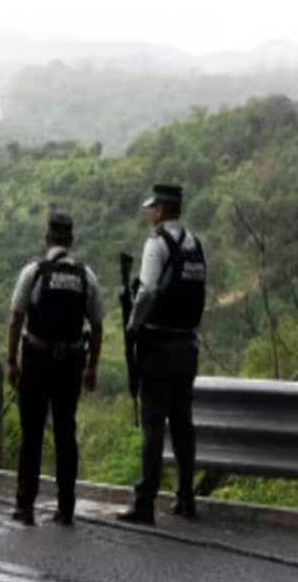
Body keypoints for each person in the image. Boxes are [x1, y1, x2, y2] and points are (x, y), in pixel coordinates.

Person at [6, 212, 104, 526]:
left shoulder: (33, 272)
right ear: (70, 241)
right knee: (66, 434)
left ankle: (25, 507)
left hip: (36, 361)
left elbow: (16, 318)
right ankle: (65, 509)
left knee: (31, 435)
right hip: (70, 365)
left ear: (47, 239)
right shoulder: (85, 276)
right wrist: (91, 369)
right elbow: (98, 326)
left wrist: (11, 361)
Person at [119, 184, 206, 525]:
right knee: (183, 424)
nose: (151, 213)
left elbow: (148, 292)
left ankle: (145, 503)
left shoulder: (157, 245)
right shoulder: (195, 245)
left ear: (160, 210)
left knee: (153, 426)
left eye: (153, 208)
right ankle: (186, 498)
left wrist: (132, 327)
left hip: (158, 348)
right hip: (187, 347)